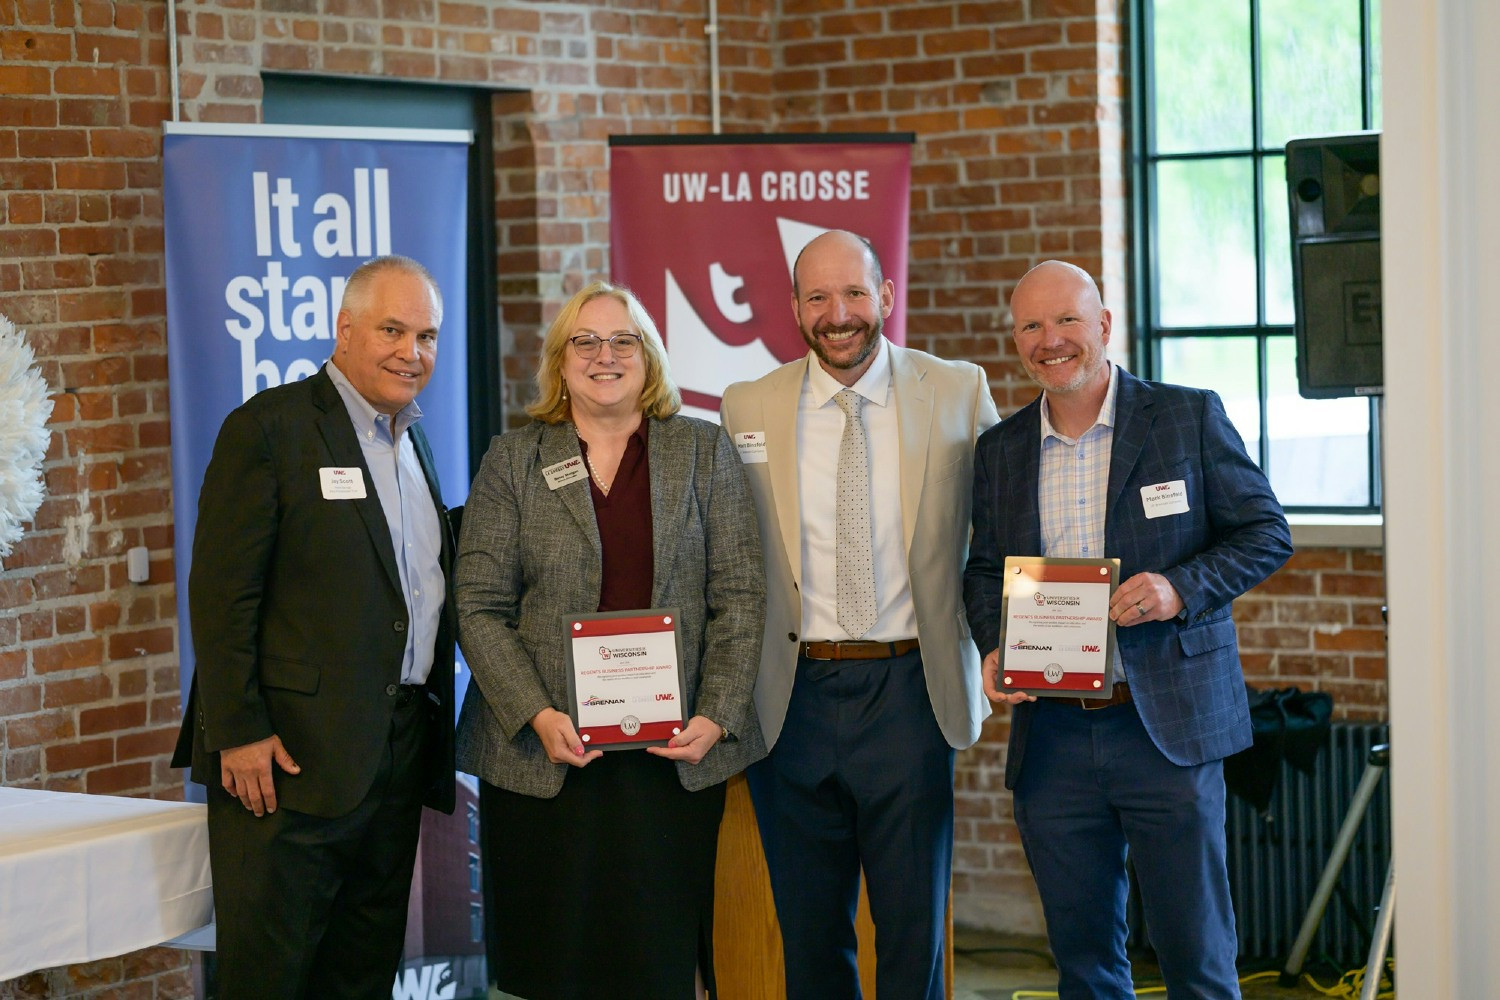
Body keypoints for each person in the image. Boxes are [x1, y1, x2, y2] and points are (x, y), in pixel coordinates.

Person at [963, 260, 1293, 999]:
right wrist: (993, 644)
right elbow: (984, 571)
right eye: (1031, 327)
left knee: (1197, 957)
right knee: (1083, 962)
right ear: (1016, 339)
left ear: (1105, 326)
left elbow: (1266, 532)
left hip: (1167, 729)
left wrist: (1180, 588)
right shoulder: (1002, 449)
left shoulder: (1186, 416)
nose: (1051, 340)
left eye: (1068, 321)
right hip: (1052, 736)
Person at [454, 280, 766, 1000]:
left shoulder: (703, 450)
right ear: (560, 364)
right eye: (585, 342)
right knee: (549, 964)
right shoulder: (513, 460)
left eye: (623, 340)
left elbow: (742, 594)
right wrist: (536, 712)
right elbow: (478, 605)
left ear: (649, 358)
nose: (605, 356)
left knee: (655, 964)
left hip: (670, 758)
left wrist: (716, 714)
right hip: (547, 756)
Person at [719, 229, 999, 1000]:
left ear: (885, 297)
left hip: (910, 692)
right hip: (790, 700)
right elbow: (729, 552)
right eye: (817, 297)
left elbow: (1006, 531)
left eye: (853, 294)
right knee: (810, 939)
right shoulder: (748, 404)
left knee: (913, 940)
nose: (837, 314)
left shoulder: (956, 389)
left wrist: (1019, 637)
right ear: (794, 309)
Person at [172, 255, 457, 999]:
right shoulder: (270, 429)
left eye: (427, 336)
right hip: (285, 765)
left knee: (361, 976)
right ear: (344, 329)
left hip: (392, 757)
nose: (412, 351)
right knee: (271, 979)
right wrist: (236, 729)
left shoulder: (412, 438)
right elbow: (222, 590)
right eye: (393, 330)